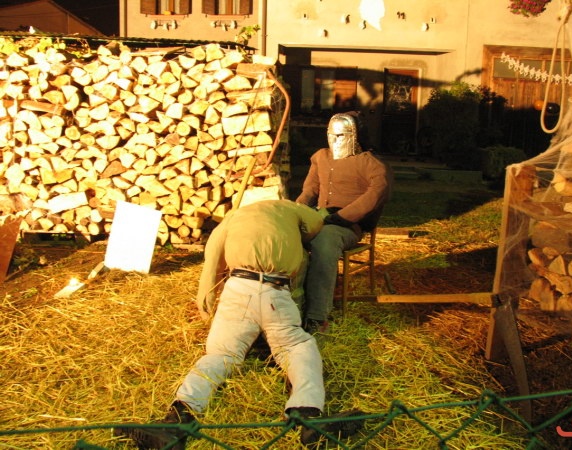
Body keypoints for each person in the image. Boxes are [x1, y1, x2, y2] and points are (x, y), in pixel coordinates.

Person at [115, 199, 364, 449]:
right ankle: (308, 414)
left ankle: (178, 418)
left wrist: (206, 300)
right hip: (275, 291)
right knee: (296, 346)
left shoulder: (232, 217)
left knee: (220, 355)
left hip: (237, 289)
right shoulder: (292, 208)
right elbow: (315, 226)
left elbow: (212, 255)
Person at [296, 111, 392, 334]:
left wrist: (340, 217)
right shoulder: (321, 157)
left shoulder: (372, 164)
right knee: (288, 235)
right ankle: (291, 306)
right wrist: (296, 211)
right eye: (331, 134)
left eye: (341, 135)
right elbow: (310, 190)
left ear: (355, 136)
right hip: (318, 218)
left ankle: (317, 317)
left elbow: (376, 195)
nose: (335, 140)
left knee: (323, 242)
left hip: (347, 226)